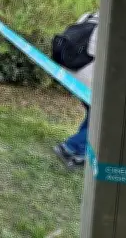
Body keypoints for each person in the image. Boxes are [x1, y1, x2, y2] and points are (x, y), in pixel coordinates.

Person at [54, 13, 97, 169]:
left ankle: (82, 151)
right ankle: (70, 147)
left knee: (95, 115)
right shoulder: (113, 28)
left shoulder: (90, 16)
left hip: (73, 75)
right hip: (90, 80)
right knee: (106, 119)